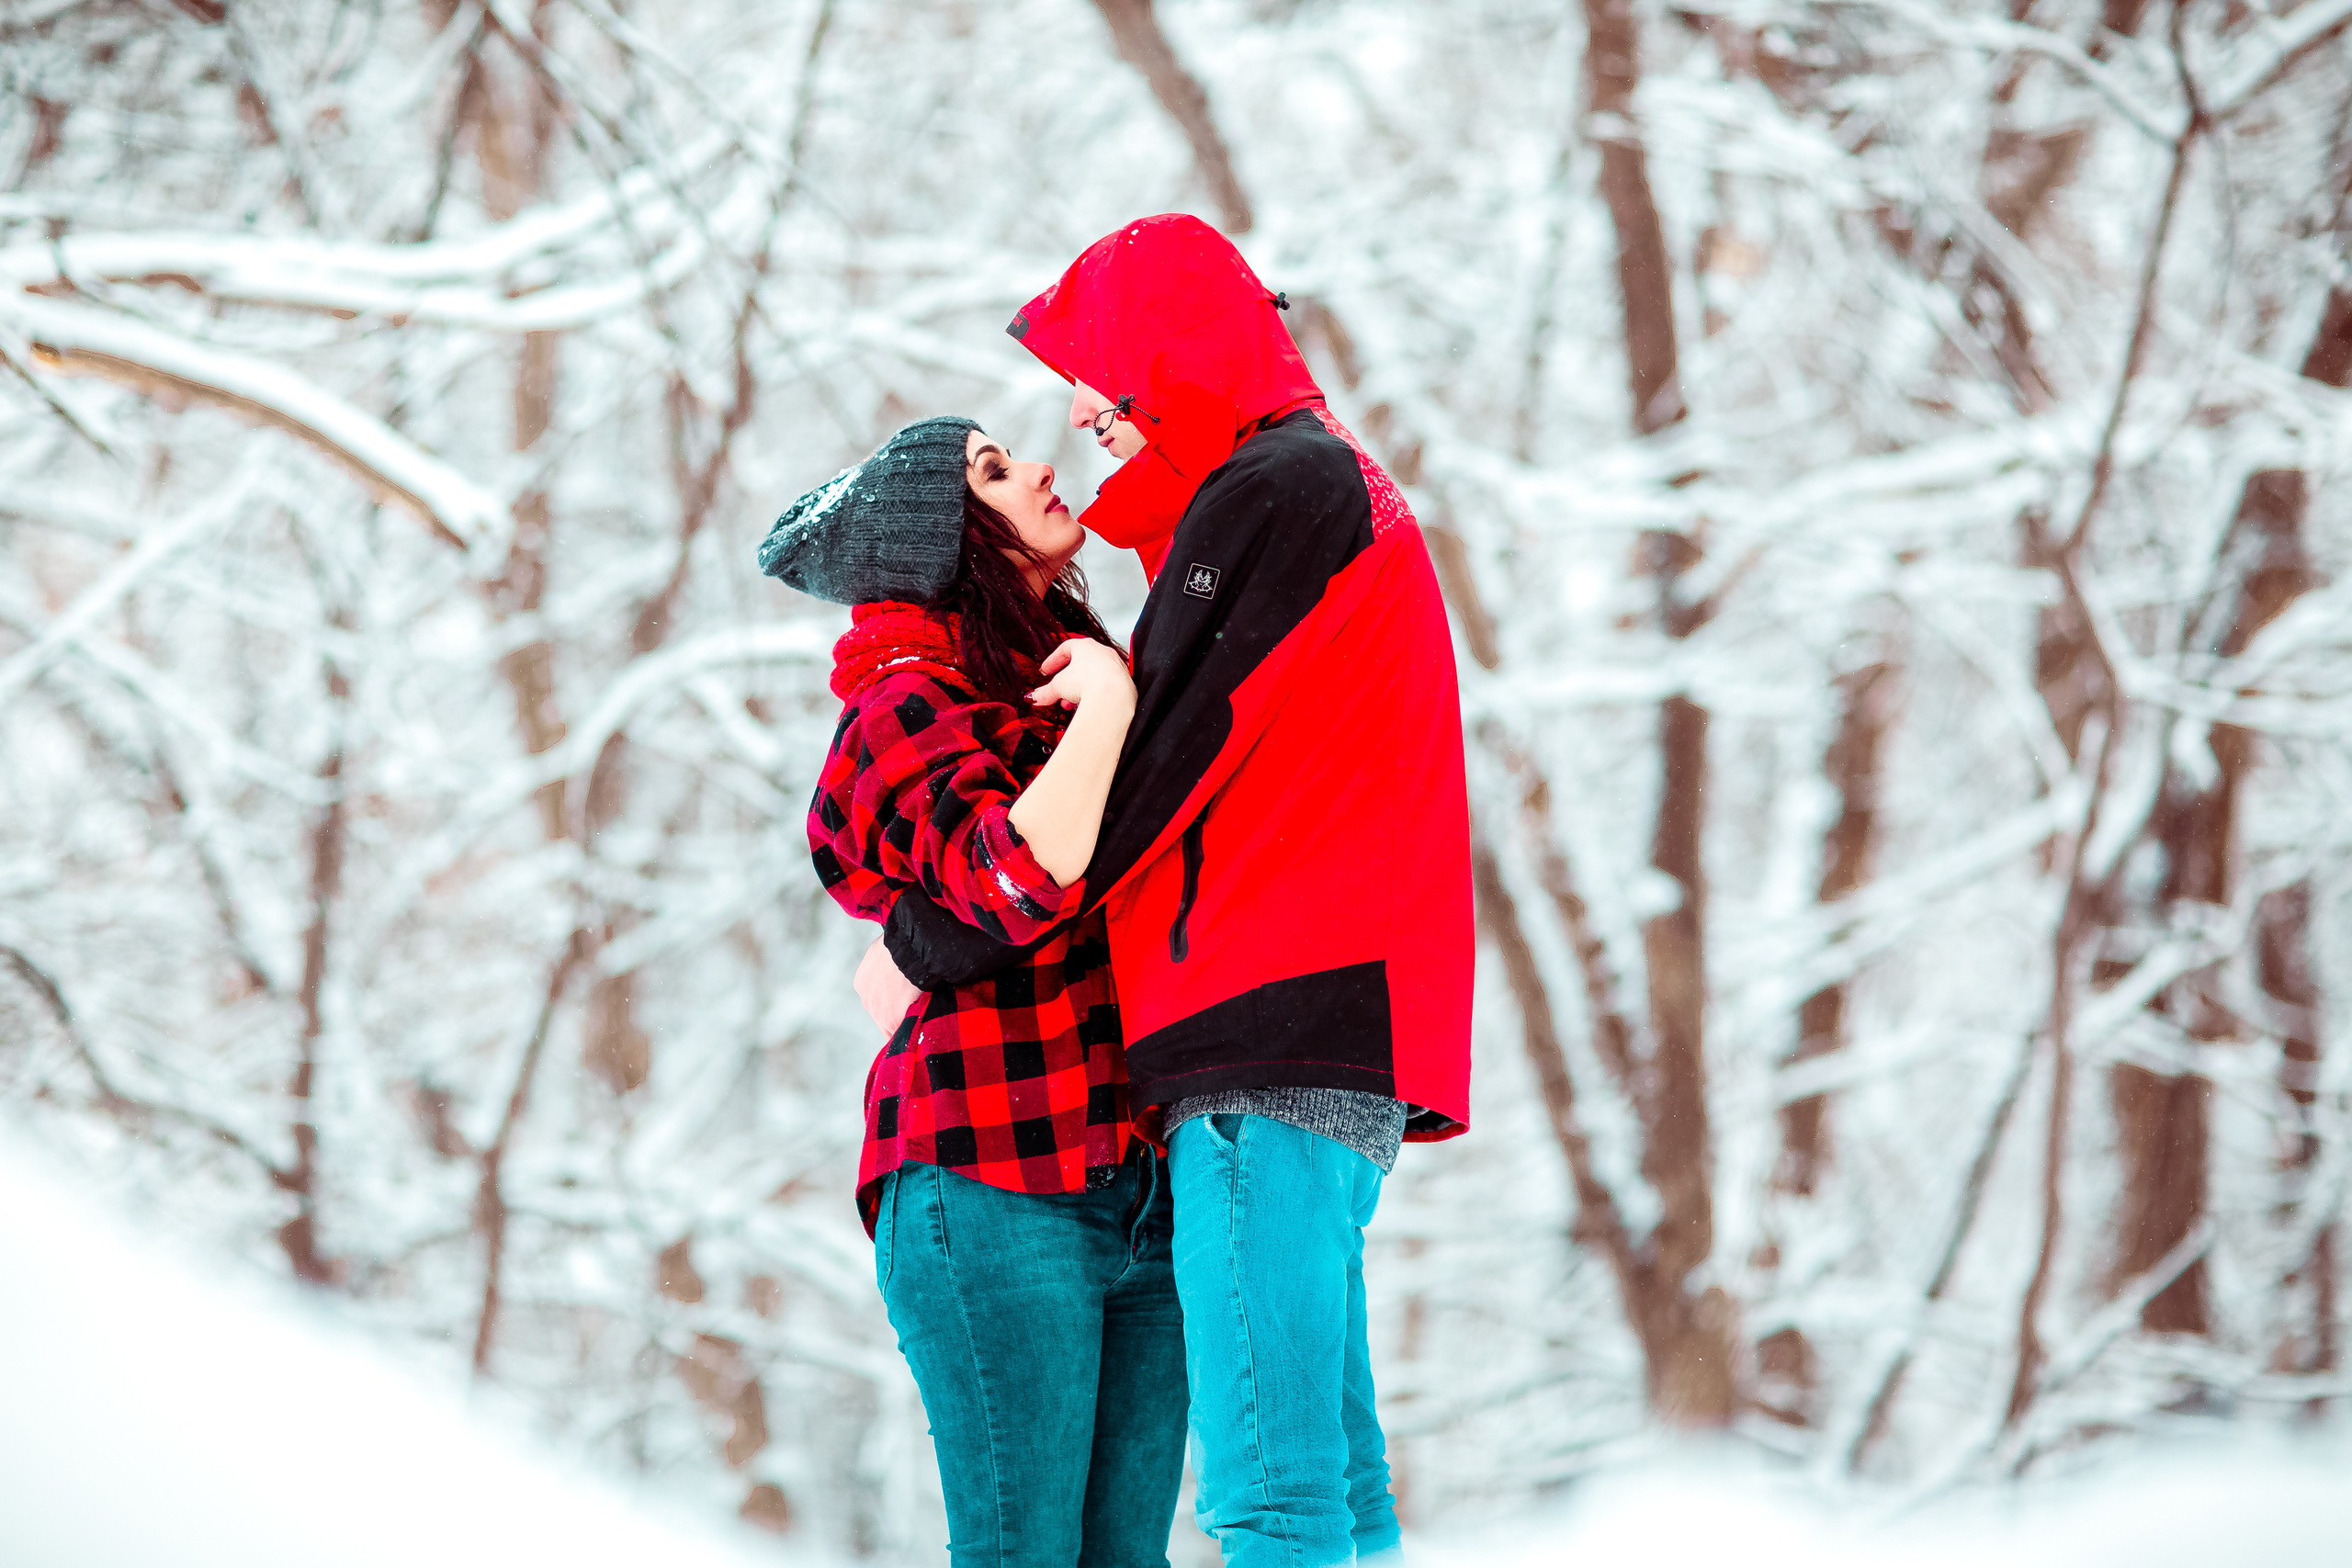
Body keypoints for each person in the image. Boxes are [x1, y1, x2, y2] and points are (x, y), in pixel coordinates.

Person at [876, 216, 1476, 1566]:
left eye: (1100, 371)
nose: (1081, 413)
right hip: (1321, 1037)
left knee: (1269, 1494)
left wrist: (930, 934)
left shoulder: (1274, 490)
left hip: (1265, 1037)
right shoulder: (1320, 491)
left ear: (1174, 352)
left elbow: (1152, 775)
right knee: (1338, 1478)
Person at [760, 414, 1187, 1567]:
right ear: (941, 542)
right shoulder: (901, 707)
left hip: (1141, 1188)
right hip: (989, 1180)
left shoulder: (1049, 675)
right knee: (1022, 1554)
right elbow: (1012, 873)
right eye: (992, 472)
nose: (1042, 468)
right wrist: (1106, 707)